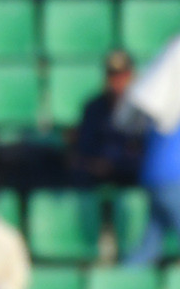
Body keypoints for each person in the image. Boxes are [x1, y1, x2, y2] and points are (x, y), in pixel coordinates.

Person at [72, 51, 146, 188]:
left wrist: (117, 163)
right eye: (113, 75)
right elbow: (85, 147)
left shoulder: (143, 108)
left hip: (132, 174)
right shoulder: (94, 107)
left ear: (131, 76)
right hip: (99, 175)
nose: (118, 81)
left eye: (123, 75)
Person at [126, 114, 180, 266]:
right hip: (173, 182)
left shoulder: (159, 113)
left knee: (149, 246)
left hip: (153, 181)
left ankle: (123, 279)